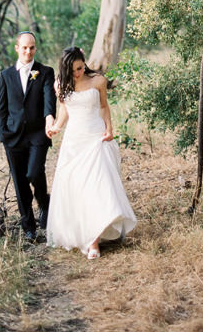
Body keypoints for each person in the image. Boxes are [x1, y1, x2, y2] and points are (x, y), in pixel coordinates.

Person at [46, 46, 136, 259]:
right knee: (79, 189)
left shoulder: (98, 81)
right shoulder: (60, 84)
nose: (77, 73)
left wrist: (109, 129)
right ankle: (87, 235)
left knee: (98, 184)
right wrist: (56, 127)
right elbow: (64, 110)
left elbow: (104, 107)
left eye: (80, 68)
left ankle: (94, 240)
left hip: (96, 137)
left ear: (84, 63)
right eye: (73, 70)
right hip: (74, 141)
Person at [0, 31, 56, 241]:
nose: (28, 51)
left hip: (38, 133)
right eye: (24, 47)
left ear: (35, 48)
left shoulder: (46, 72)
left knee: (33, 172)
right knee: (20, 183)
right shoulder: (6, 75)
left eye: (31, 47)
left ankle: (44, 202)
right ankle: (28, 226)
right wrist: (2, 134)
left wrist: (50, 119)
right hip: (13, 137)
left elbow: (49, 99)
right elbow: (2, 108)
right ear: (17, 48)